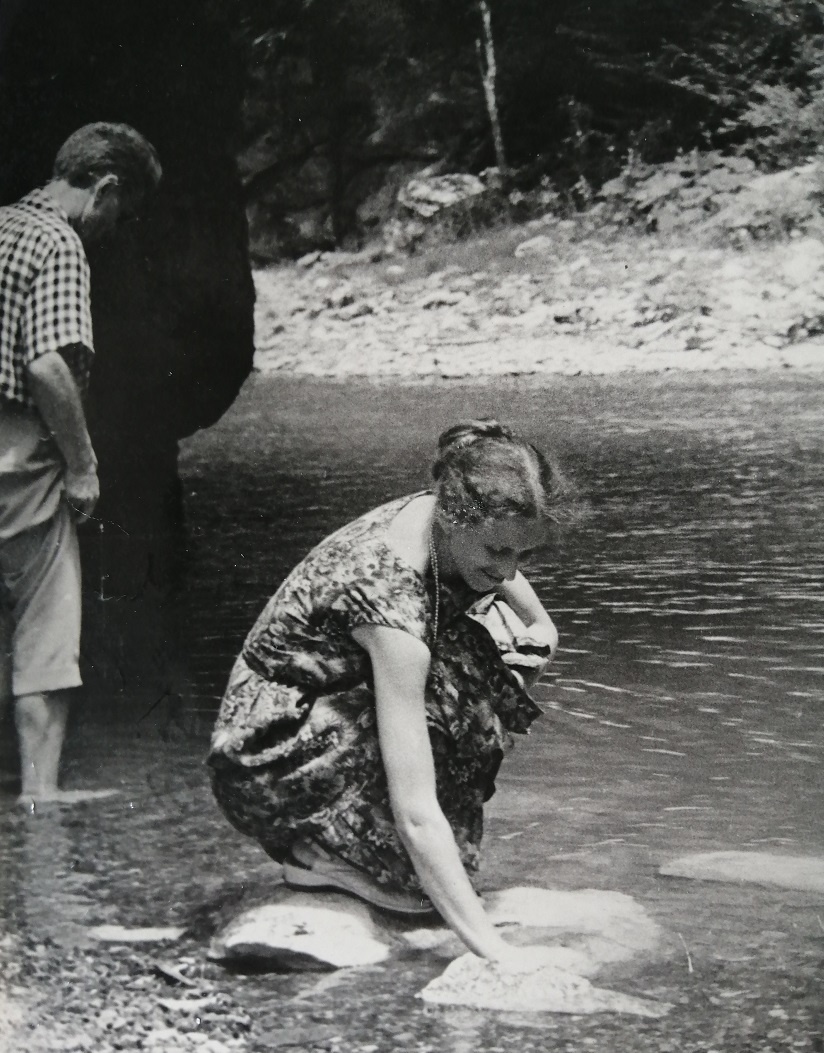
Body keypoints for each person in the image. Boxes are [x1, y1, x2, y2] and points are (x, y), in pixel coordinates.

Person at [209, 420, 572, 964]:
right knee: (455, 699)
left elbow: (500, 558)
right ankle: (324, 855)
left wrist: (542, 626)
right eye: (498, 551)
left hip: (317, 709)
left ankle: (372, 858)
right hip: (266, 759)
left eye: (522, 555)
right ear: (454, 515)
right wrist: (494, 951)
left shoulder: (445, 511)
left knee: (475, 672)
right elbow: (417, 811)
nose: (507, 571)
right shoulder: (392, 610)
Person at [0, 122, 162, 805]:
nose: (115, 230)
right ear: (105, 188)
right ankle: (41, 803)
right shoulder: (57, 242)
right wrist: (83, 463)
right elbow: (47, 364)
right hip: (14, 459)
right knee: (46, 622)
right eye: (120, 215)